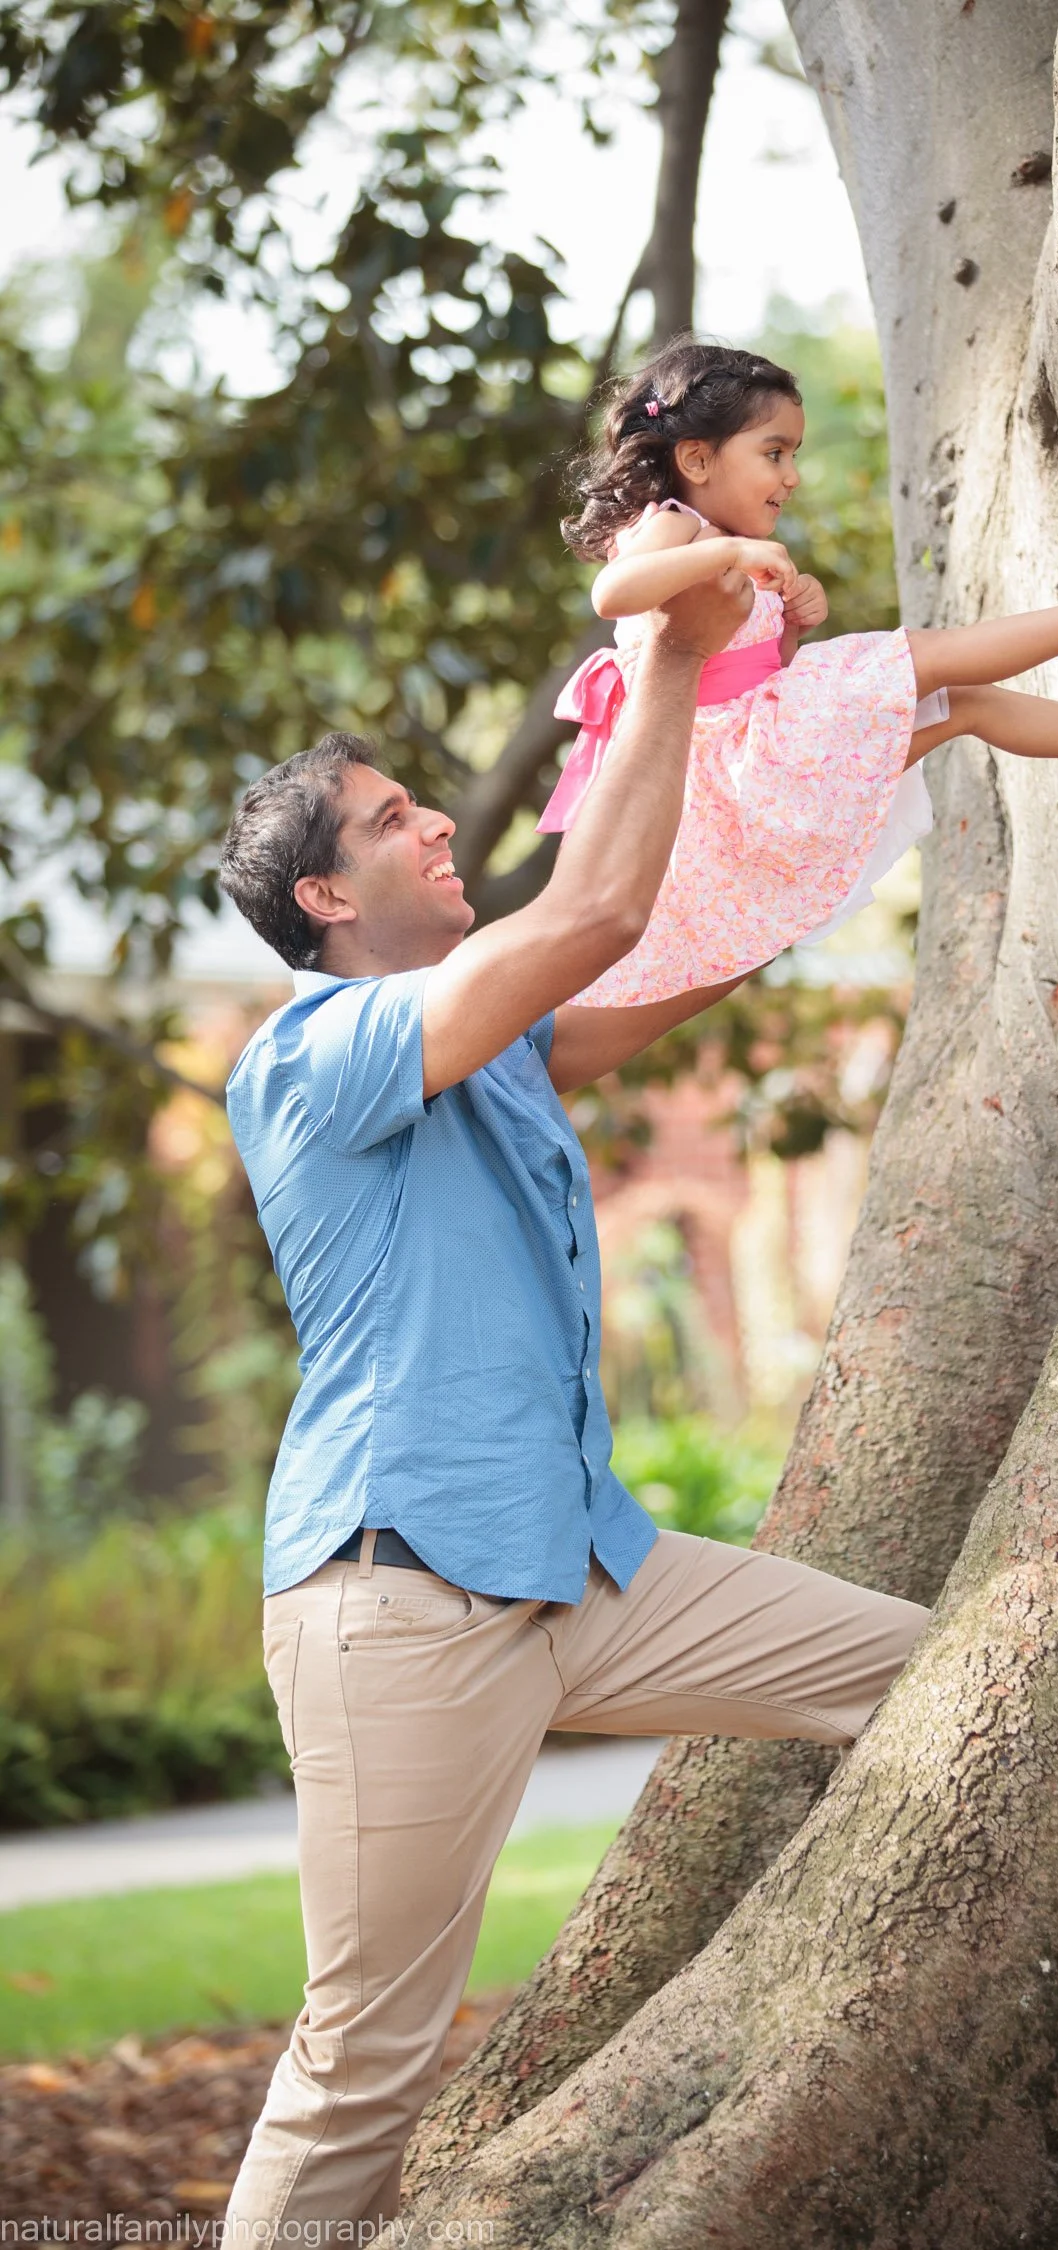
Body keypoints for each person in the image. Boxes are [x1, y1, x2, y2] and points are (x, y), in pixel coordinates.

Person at [214, 573, 930, 2245]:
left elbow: (689, 941)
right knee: (362, 2065)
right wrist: (670, 653)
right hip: (396, 1600)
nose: (441, 832)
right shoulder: (310, 1057)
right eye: (400, 823)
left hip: (583, 1573)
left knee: (933, 1674)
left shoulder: (500, 1047)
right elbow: (595, 913)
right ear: (327, 891)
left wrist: (876, 744)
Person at [540, 338, 1058, 1009]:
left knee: (961, 702)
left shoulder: (722, 544)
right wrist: (727, 560)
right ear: (696, 458)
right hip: (742, 771)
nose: (791, 476)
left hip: (764, 759)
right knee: (918, 655)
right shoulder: (669, 524)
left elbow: (747, 667)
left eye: (794, 454)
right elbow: (614, 593)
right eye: (774, 452)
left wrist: (791, 626)